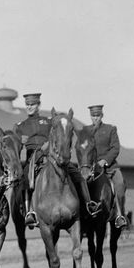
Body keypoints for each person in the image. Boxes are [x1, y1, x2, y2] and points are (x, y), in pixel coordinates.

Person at [14, 93, 98, 229]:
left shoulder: (49, 121)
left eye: (33, 104)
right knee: (25, 178)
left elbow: (61, 134)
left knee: (77, 175)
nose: (29, 107)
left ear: (38, 105)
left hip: (53, 156)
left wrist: (51, 147)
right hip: (34, 159)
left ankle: (88, 204)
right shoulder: (20, 126)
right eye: (27, 105)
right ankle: (30, 211)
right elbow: (16, 146)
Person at [88, 104, 128, 229]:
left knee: (120, 184)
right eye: (93, 116)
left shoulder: (110, 129)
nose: (95, 118)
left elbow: (115, 148)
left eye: (97, 116)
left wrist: (105, 160)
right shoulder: (85, 131)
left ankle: (119, 215)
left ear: (102, 116)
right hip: (91, 168)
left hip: (110, 167)